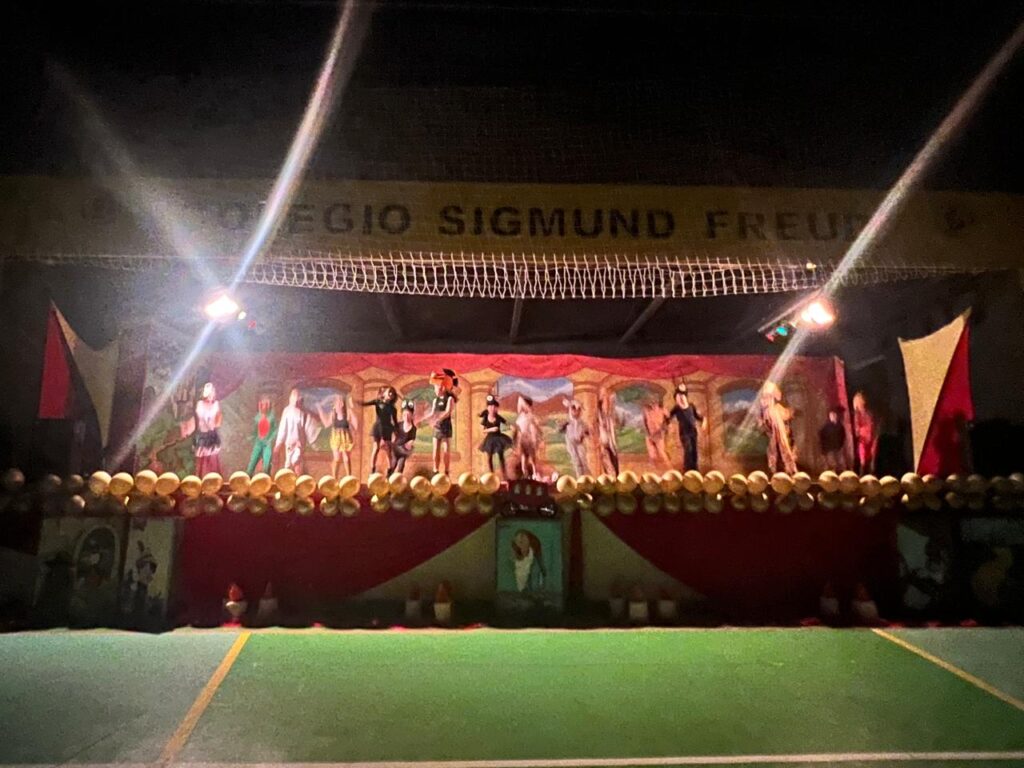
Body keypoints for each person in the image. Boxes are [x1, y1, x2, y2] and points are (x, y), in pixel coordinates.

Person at [274, 388, 321, 473]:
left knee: (297, 462)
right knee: (288, 464)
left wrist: (313, 443)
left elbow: (308, 427)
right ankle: (287, 479)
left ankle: (298, 479)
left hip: (299, 443)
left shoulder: (303, 413)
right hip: (289, 443)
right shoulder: (287, 411)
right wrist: (278, 444)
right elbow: (283, 428)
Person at [422, 370, 457, 474]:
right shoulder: (435, 401)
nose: (435, 390)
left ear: (442, 387)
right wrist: (424, 418)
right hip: (437, 427)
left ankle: (446, 471)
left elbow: (447, 412)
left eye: (436, 387)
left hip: (446, 427)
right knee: (435, 450)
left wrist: (438, 419)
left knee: (446, 450)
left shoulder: (450, 399)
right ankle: (435, 470)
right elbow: (432, 413)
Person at [760, 381, 797, 474]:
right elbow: (777, 397)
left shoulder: (777, 407)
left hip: (772, 417)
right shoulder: (773, 408)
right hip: (773, 417)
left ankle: (782, 467)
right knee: (781, 443)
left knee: (778, 444)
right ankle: (788, 467)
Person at [667, 384, 707, 472]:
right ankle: (687, 470)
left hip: (693, 432)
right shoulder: (677, 408)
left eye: (682, 396)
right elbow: (668, 418)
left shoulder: (691, 406)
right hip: (684, 433)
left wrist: (704, 421)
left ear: (685, 397)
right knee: (688, 450)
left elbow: (698, 417)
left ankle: (695, 470)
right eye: (678, 397)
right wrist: (667, 423)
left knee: (694, 451)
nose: (681, 398)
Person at [363, 386, 399, 477]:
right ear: (384, 393)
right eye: (389, 392)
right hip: (378, 428)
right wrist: (356, 402)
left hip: (387, 429)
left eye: (392, 393)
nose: (391, 394)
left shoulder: (392, 408)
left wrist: (396, 432)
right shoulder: (377, 402)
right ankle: (372, 470)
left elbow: (395, 421)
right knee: (376, 448)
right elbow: (365, 404)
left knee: (388, 450)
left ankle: (390, 471)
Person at [318, 393, 356, 477]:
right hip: (336, 438)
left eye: (341, 402)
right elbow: (326, 423)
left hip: (345, 438)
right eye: (337, 402)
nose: (339, 404)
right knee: (337, 458)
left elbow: (355, 425)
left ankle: (348, 477)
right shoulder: (333, 414)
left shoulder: (348, 412)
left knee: (346, 458)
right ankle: (334, 478)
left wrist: (351, 408)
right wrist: (320, 410)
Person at [190, 383, 222, 476]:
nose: (211, 395)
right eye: (209, 393)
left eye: (212, 393)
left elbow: (218, 421)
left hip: (212, 436)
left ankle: (213, 479)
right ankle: (201, 479)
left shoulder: (216, 405)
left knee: (212, 459)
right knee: (202, 461)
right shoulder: (200, 405)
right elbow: (199, 418)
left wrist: (213, 425)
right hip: (202, 435)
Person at [479, 395, 514, 478]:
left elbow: (507, 423)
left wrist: (511, 427)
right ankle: (491, 475)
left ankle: (504, 475)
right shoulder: (485, 418)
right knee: (489, 457)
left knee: (501, 456)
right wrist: (491, 429)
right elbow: (483, 431)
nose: (492, 408)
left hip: (499, 438)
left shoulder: (498, 417)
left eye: (494, 407)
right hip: (490, 440)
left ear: (496, 408)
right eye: (490, 406)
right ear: (488, 408)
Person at [246, 393, 278, 475]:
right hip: (258, 442)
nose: (264, 406)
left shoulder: (271, 417)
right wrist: (252, 438)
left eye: (266, 404)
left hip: (267, 443)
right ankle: (247, 477)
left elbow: (275, 430)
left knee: (267, 463)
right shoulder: (257, 417)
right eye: (263, 404)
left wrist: (270, 439)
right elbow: (254, 431)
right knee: (252, 462)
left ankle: (265, 478)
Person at [560, 398, 591, 476]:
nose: (576, 412)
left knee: (583, 460)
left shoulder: (581, 422)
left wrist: (584, 434)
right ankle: (580, 477)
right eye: (574, 409)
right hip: (571, 443)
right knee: (576, 461)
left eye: (578, 410)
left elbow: (587, 432)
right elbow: (560, 429)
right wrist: (563, 425)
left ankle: (586, 477)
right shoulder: (568, 422)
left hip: (579, 443)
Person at [514, 395, 542, 480]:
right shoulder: (520, 416)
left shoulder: (530, 416)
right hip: (522, 439)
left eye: (524, 405)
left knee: (532, 457)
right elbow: (518, 428)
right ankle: (525, 474)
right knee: (524, 457)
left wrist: (538, 435)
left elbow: (536, 426)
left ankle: (534, 474)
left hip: (529, 439)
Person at [852, 391, 879, 474]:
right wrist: (859, 434)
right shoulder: (858, 415)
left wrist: (875, 436)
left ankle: (871, 474)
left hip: (871, 436)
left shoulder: (869, 413)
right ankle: (862, 475)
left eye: (862, 401)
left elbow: (874, 424)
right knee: (863, 459)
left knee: (872, 458)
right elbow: (857, 427)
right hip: (863, 438)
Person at [596, 389, 622, 475]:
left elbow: (613, 418)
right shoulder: (598, 412)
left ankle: (617, 474)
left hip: (610, 438)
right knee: (605, 458)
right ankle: (608, 475)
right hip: (603, 438)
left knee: (613, 455)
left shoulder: (610, 413)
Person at [390, 399, 418, 475]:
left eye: (408, 415)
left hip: (403, 451)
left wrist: (409, 444)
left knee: (400, 466)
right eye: (405, 415)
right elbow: (393, 434)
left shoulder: (413, 428)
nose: (406, 417)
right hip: (395, 449)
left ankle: (398, 479)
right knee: (393, 464)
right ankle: (388, 478)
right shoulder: (399, 425)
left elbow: (412, 439)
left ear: (412, 416)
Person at [643, 399, 671, 470]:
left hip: (658, 435)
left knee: (661, 453)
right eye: (651, 403)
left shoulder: (663, 410)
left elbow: (668, 419)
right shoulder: (646, 411)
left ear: (658, 403)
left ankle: (670, 468)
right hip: (649, 435)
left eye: (654, 403)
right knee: (652, 455)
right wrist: (647, 433)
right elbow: (645, 422)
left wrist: (664, 429)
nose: (653, 405)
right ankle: (655, 469)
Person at [819, 406, 847, 472]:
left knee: (841, 463)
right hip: (829, 448)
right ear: (829, 416)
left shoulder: (840, 426)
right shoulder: (826, 427)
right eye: (831, 415)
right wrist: (824, 448)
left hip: (838, 448)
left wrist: (841, 444)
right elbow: (822, 437)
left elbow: (843, 435)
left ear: (836, 416)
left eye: (834, 415)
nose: (833, 417)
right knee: (832, 464)